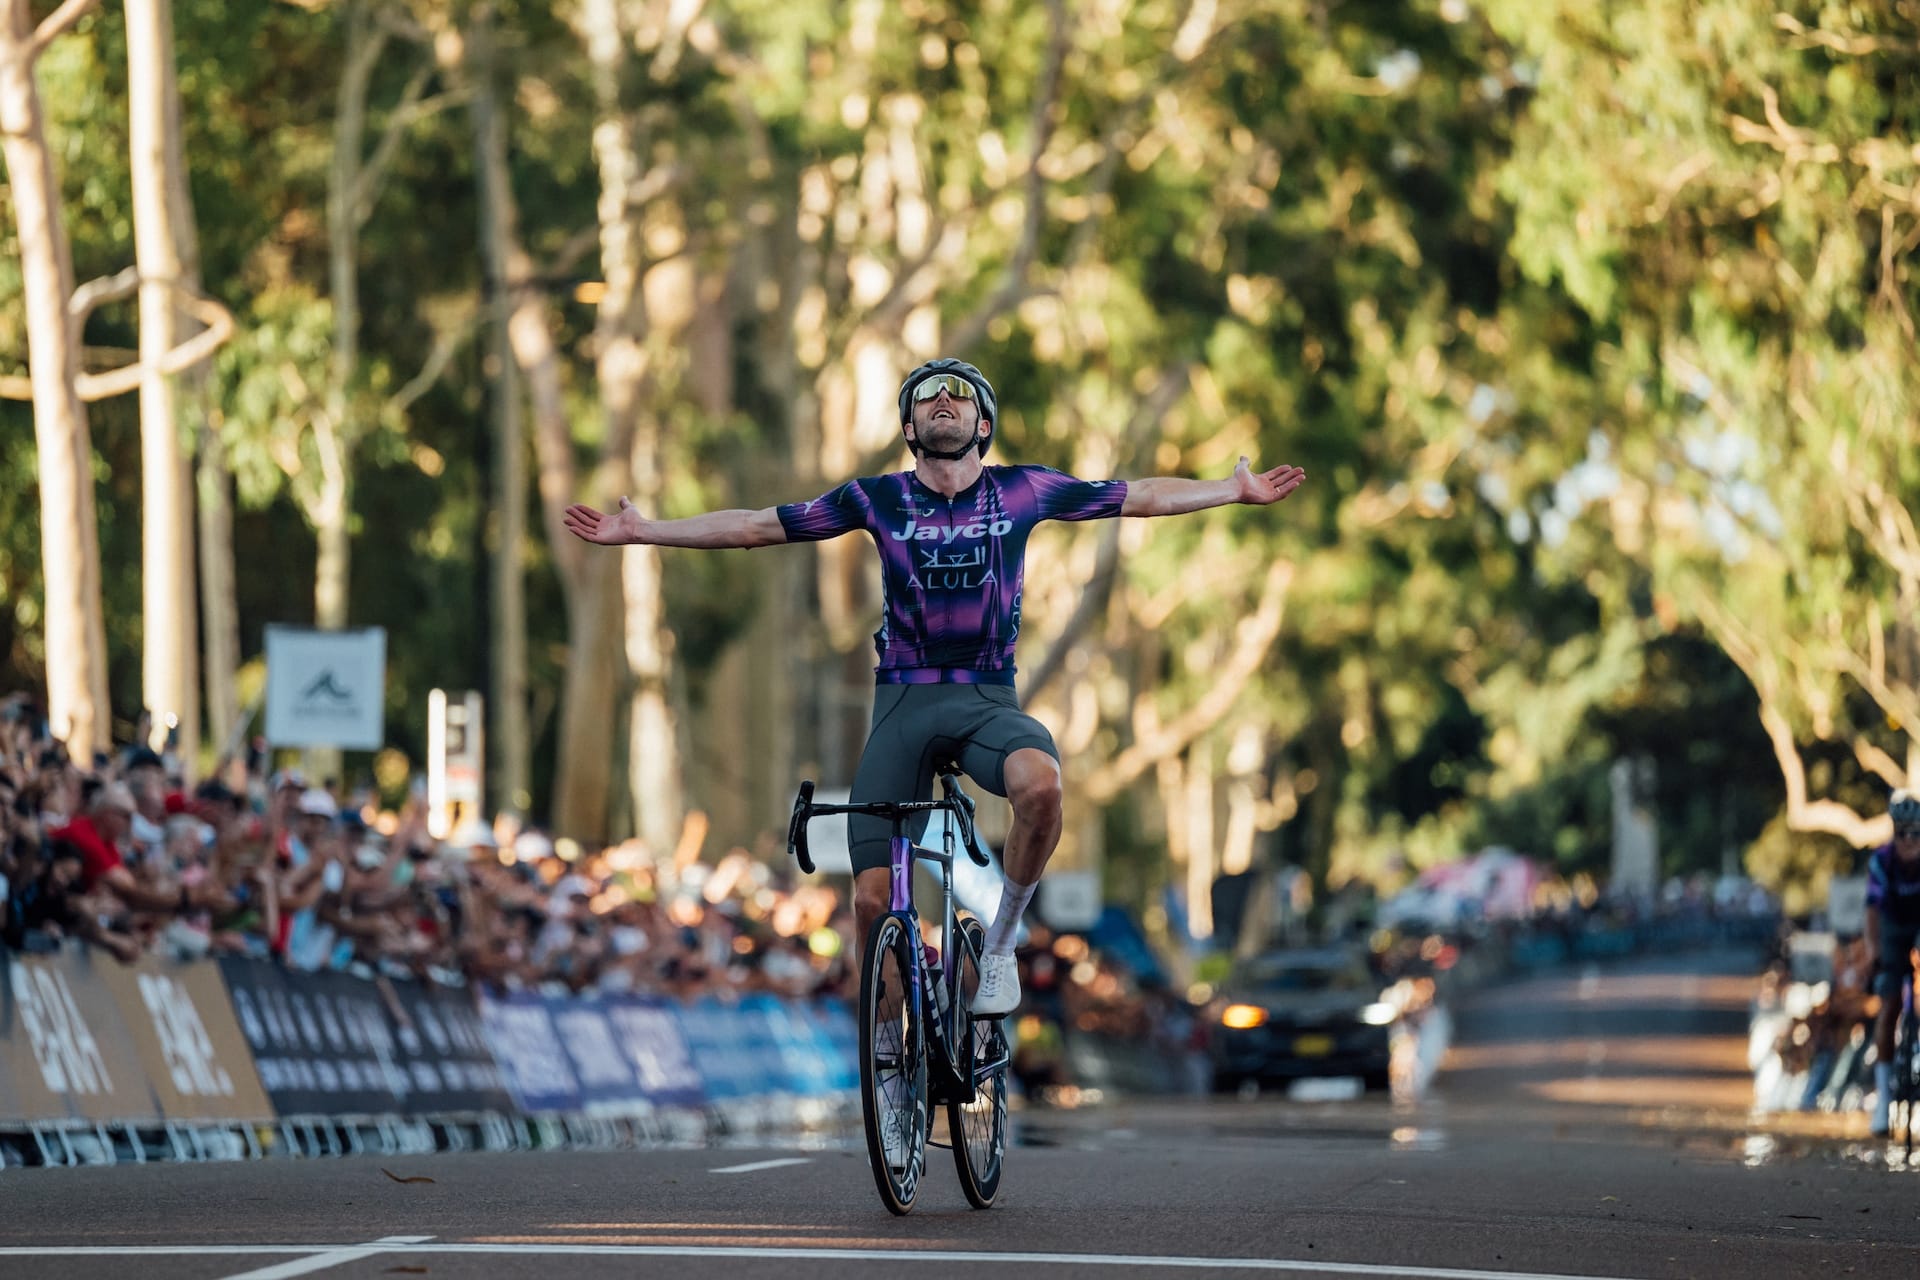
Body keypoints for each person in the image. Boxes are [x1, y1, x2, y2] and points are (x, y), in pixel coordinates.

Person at [563, 356, 1304, 1022]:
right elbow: (759, 525)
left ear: (984, 422)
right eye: (927, 396)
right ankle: (890, 1051)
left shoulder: (1024, 491)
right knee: (866, 897)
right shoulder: (876, 499)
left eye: (959, 394)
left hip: (987, 700)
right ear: (910, 424)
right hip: (902, 706)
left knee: (1041, 789)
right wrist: (646, 531)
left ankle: (1003, 941)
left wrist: (1228, 492)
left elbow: (1137, 496)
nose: (942, 400)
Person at [1864, 788, 1920, 1136]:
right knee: (1888, 1008)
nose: (1909, 840)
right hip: (1891, 928)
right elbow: (1871, 911)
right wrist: (1873, 951)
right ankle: (1883, 1102)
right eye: (1902, 833)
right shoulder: (1881, 861)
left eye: (1916, 832)